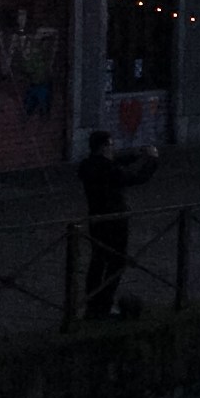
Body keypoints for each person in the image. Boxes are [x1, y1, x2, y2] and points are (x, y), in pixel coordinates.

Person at [76, 129, 158, 318]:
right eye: (111, 145)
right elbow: (137, 178)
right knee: (117, 263)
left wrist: (135, 155)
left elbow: (112, 161)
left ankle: (92, 303)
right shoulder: (110, 171)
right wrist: (153, 161)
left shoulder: (87, 166)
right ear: (104, 147)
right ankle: (104, 304)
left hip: (96, 219)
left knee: (97, 261)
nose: (113, 149)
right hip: (115, 221)